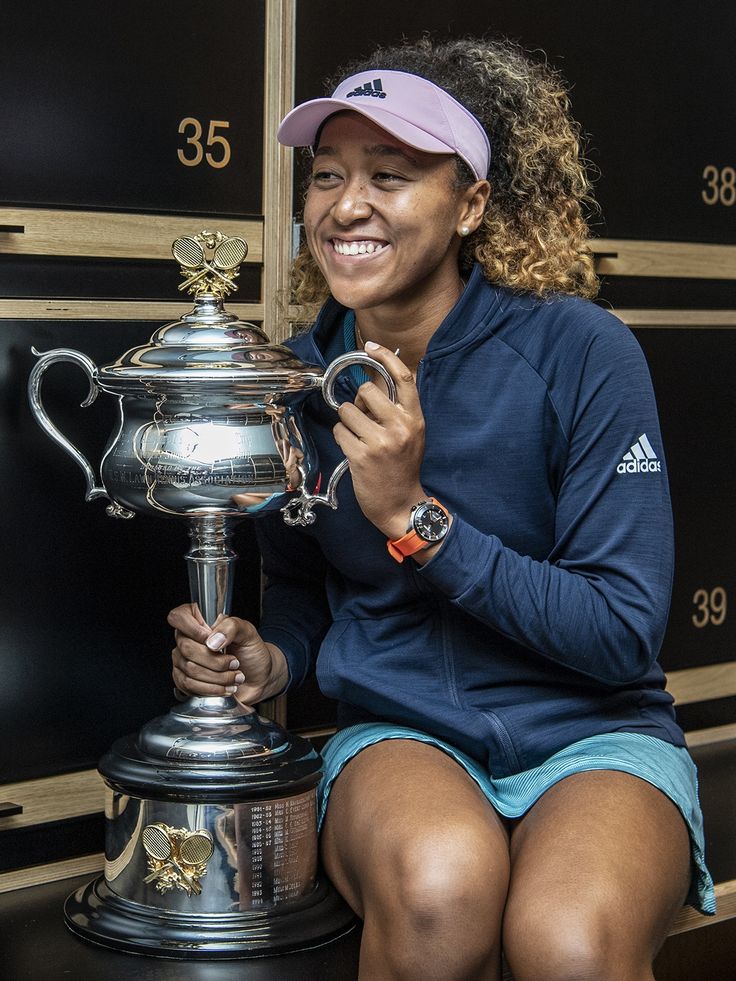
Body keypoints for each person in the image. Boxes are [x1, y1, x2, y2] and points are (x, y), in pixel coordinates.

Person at [168, 36, 714, 981]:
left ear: (471, 204)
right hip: (402, 732)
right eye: (327, 175)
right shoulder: (293, 381)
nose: (347, 205)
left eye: (392, 174)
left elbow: (623, 631)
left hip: (595, 733)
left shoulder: (582, 353)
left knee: (570, 944)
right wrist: (272, 658)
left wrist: (416, 518)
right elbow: (305, 592)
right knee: (440, 893)